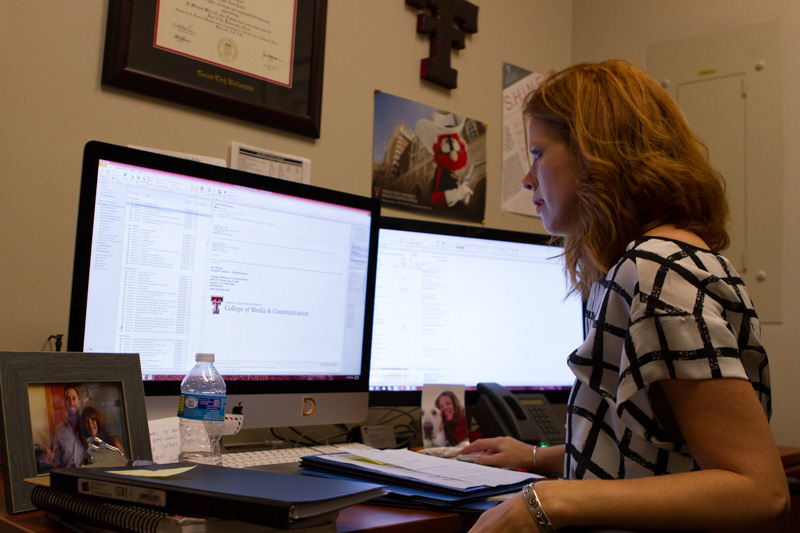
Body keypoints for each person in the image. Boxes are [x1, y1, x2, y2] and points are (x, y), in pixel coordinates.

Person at [460, 60, 790, 532]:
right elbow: (653, 448)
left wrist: (546, 503)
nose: (527, 179)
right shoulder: (660, 260)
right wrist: (537, 456)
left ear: (595, 154)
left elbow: (758, 488)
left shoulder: (656, 269)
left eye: (538, 153)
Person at [42, 384, 86, 468]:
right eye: (67, 399)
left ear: (79, 402)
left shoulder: (88, 426)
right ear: (64, 403)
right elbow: (57, 463)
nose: (71, 403)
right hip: (68, 477)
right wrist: (50, 460)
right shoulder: (59, 430)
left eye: (74, 398)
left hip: (88, 477)